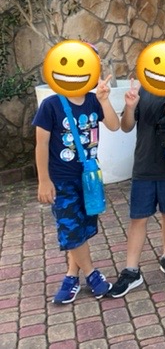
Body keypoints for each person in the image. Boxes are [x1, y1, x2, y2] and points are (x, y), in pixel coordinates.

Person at [34, 74, 120, 304]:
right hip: (62, 181)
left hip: (89, 179)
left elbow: (114, 125)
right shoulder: (51, 105)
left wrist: (104, 100)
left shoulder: (93, 100)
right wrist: (44, 180)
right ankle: (92, 274)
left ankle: (72, 276)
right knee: (71, 229)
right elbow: (41, 144)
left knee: (82, 228)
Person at [109, 78, 165, 297]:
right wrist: (130, 106)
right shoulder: (142, 90)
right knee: (138, 217)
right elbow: (126, 126)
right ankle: (131, 270)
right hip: (144, 165)